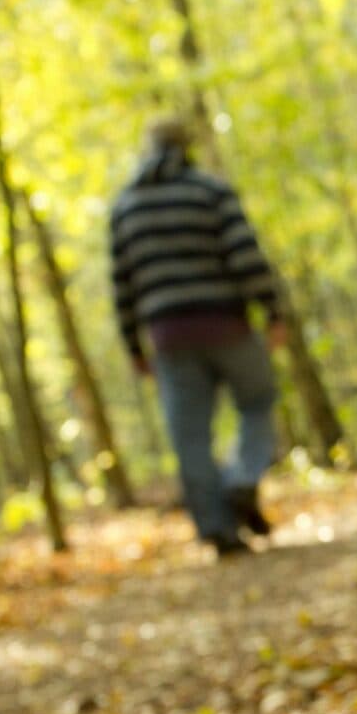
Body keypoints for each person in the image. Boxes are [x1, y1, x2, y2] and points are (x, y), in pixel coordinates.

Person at [109, 117, 287, 558]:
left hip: (168, 336)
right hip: (226, 322)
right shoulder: (210, 191)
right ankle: (243, 480)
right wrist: (273, 310)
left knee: (189, 437)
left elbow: (122, 284)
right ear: (185, 148)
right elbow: (245, 254)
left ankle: (216, 528)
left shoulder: (125, 207)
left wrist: (133, 344)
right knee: (258, 401)